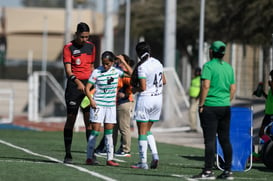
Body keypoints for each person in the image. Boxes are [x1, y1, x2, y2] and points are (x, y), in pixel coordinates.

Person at [193, 41, 236, 180]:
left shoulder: (208, 66)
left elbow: (205, 86)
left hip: (210, 107)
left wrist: (201, 104)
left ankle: (208, 171)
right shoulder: (229, 68)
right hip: (225, 106)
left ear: (211, 51)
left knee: (210, 140)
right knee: (225, 140)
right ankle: (228, 170)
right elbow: (233, 88)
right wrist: (226, 100)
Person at [85, 51, 132, 166]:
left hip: (111, 106)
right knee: (95, 132)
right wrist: (91, 100)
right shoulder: (96, 72)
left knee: (109, 133)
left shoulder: (117, 72)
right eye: (103, 63)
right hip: (98, 105)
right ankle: (89, 157)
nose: (105, 66)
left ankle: (109, 159)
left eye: (108, 64)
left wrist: (124, 62)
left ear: (112, 62)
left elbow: (132, 75)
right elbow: (87, 88)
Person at [63, 22, 96, 164]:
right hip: (74, 88)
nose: (84, 40)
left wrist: (92, 84)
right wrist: (78, 83)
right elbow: (68, 72)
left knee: (89, 122)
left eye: (87, 37)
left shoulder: (91, 47)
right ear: (76, 34)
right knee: (71, 119)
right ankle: (68, 154)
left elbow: (92, 67)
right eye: (82, 37)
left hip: (88, 88)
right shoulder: (68, 48)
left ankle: (90, 156)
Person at [130, 41, 166, 169]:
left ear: (138, 54)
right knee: (148, 130)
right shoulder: (158, 62)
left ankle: (143, 162)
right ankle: (155, 156)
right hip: (158, 99)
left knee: (142, 131)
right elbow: (164, 81)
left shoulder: (142, 67)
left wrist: (134, 90)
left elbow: (143, 87)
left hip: (146, 100)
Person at [258, 70, 273, 143]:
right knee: (261, 134)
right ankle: (269, 144)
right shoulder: (271, 88)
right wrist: (262, 93)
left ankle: (270, 145)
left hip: (271, 115)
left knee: (269, 132)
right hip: (268, 114)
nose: (270, 79)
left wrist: (271, 85)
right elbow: (269, 98)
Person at [188, 67, 201, 132]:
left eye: (198, 72)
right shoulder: (194, 79)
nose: (196, 73)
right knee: (191, 112)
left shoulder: (200, 79)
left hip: (197, 98)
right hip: (192, 97)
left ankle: (193, 127)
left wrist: (198, 96)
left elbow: (201, 88)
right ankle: (192, 126)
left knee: (192, 111)